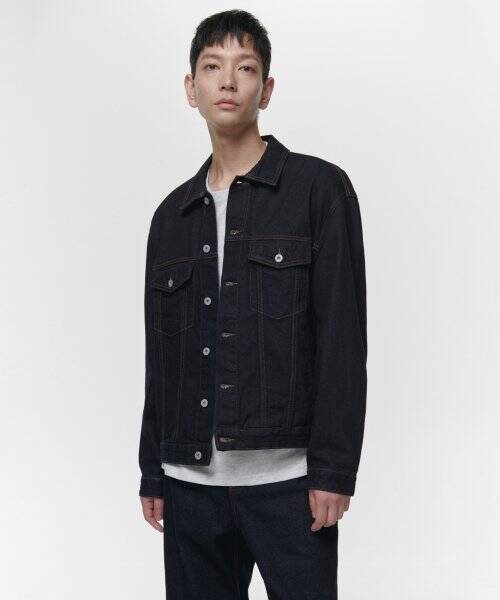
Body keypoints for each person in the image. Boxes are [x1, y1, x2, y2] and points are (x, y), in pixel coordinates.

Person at [138, 9, 367, 599]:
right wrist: (152, 469)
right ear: (191, 88)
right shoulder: (171, 217)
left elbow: (342, 340)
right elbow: (162, 360)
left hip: (290, 485)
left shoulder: (319, 190)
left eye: (245, 68)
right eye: (212, 67)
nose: (227, 81)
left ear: (265, 89)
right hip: (189, 486)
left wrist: (334, 469)